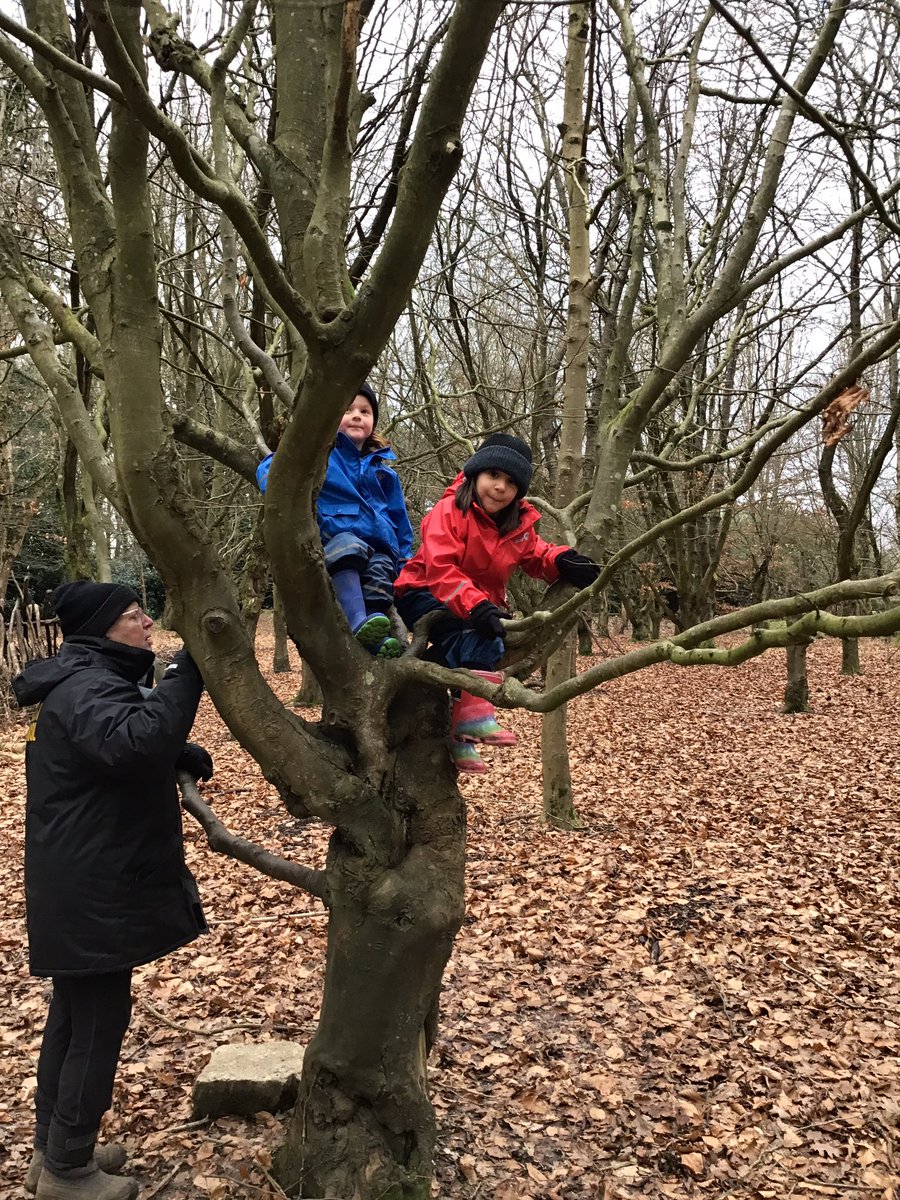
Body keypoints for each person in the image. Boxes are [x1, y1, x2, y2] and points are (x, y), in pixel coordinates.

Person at [12, 581, 213, 1200]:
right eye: (133, 615)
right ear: (103, 628)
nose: (147, 622)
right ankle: (68, 1173)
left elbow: (118, 748)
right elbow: (133, 743)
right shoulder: (87, 686)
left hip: (80, 882)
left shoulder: (87, 682)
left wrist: (176, 753)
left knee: (74, 1019)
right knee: (97, 1024)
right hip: (92, 889)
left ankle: (53, 1151)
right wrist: (186, 675)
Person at [394, 433, 600, 773]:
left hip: (472, 604)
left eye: (510, 482)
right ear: (475, 474)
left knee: (485, 645)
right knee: (479, 637)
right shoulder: (449, 511)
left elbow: (537, 555)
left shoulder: (517, 526)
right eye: (493, 476)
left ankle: (462, 736)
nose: (500, 487)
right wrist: (476, 606)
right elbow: (441, 569)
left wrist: (563, 561)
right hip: (424, 591)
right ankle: (473, 719)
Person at [257, 382, 414, 658]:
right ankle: (356, 621)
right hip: (339, 537)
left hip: (379, 547)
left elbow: (400, 521)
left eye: (365, 411)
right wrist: (276, 485)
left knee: (381, 572)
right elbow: (275, 466)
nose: (357, 415)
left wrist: (404, 561)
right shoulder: (321, 455)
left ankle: (374, 635)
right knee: (348, 549)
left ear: (373, 421)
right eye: (348, 409)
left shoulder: (384, 473)